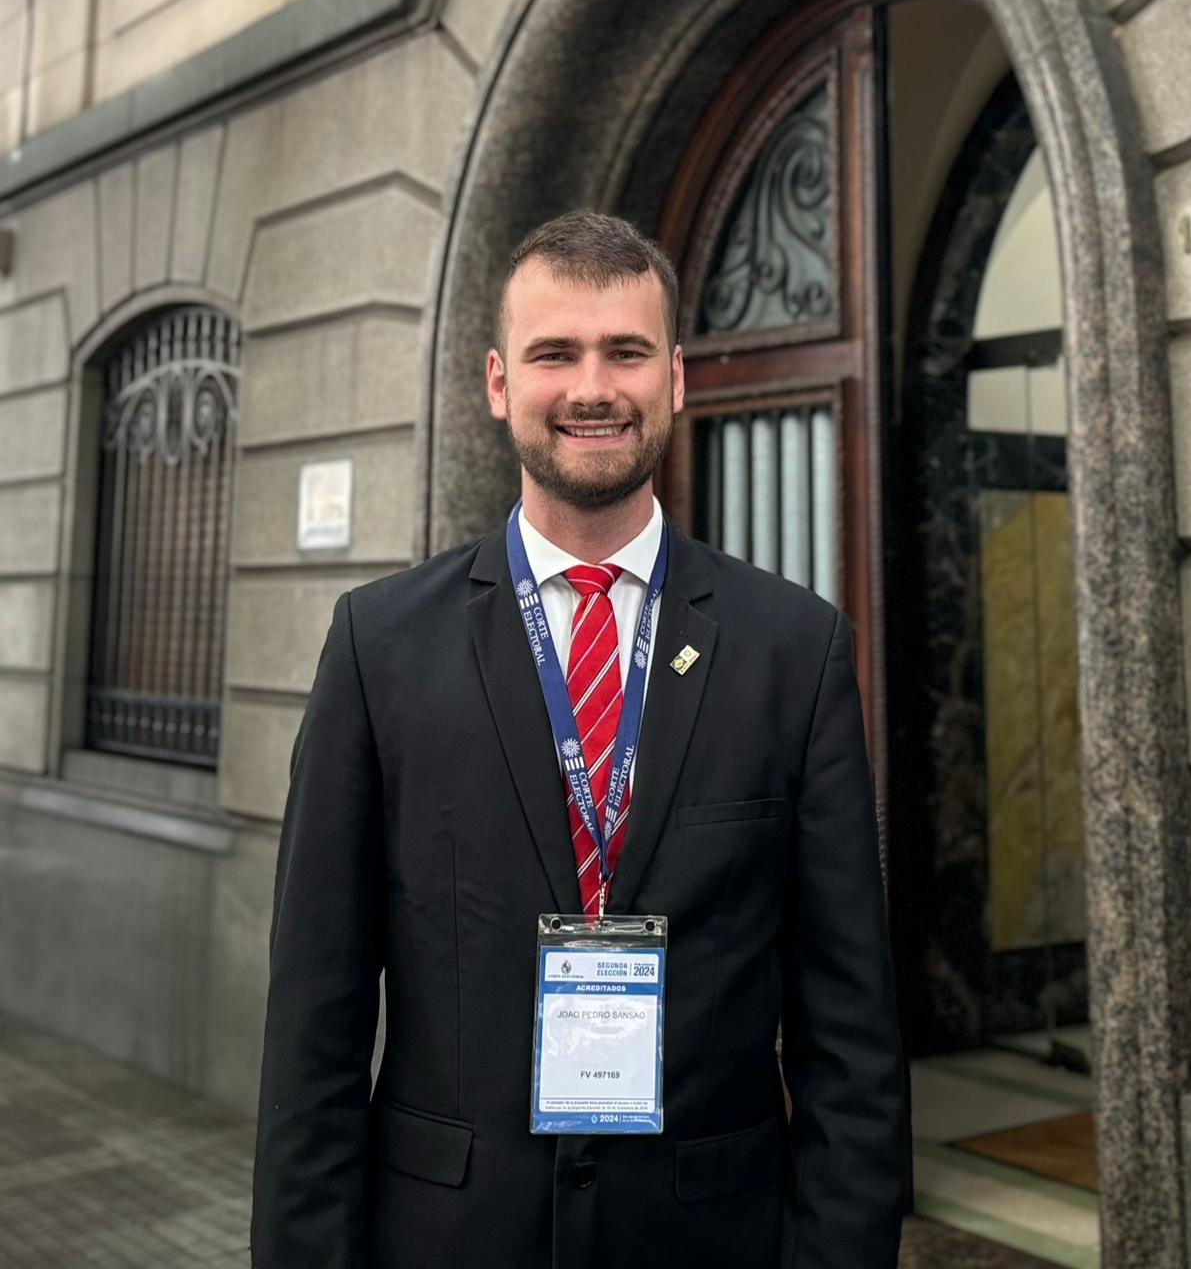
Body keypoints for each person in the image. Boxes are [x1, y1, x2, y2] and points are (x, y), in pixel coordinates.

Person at [250, 210, 907, 1268]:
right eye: (556, 352)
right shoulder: (378, 645)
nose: (592, 387)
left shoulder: (796, 649)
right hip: (449, 1237)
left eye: (626, 352)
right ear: (500, 382)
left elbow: (850, 1031)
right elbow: (314, 1021)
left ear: (676, 379)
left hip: (709, 1238)